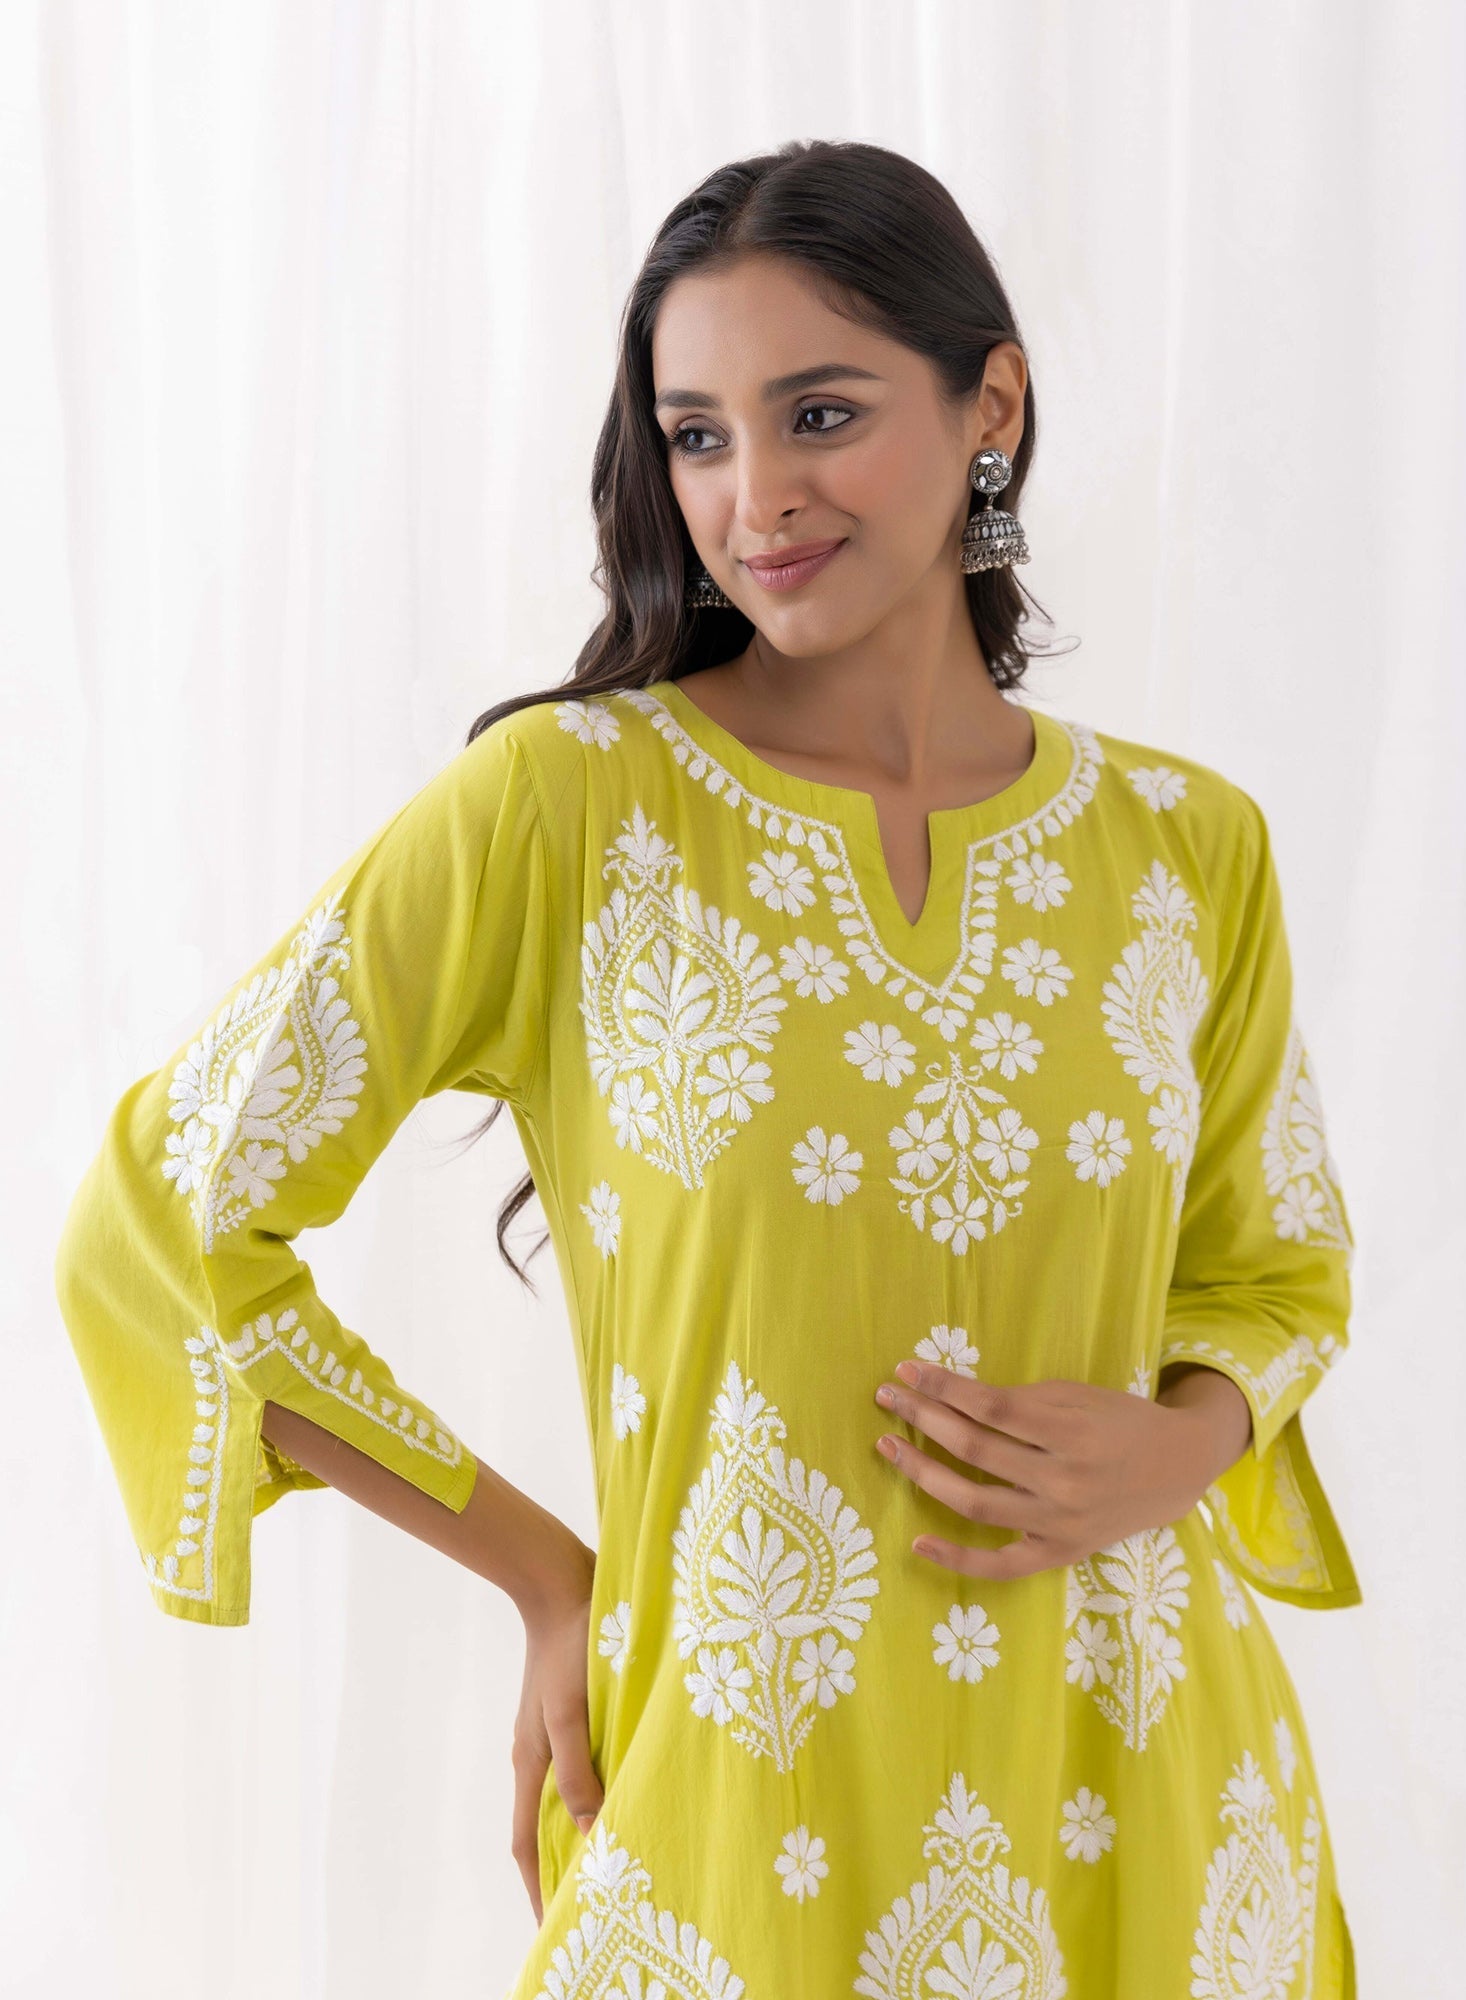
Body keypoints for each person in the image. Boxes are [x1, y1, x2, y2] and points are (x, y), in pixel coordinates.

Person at [54, 138, 1363, 1997]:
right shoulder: (567, 810)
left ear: (991, 404)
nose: (757, 497)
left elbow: (1276, 1274)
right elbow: (162, 1222)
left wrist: (1183, 1443)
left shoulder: (1187, 847)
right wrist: (545, 1573)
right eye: (696, 436)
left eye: (820, 413)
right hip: (742, 1805)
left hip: (1157, 1805)